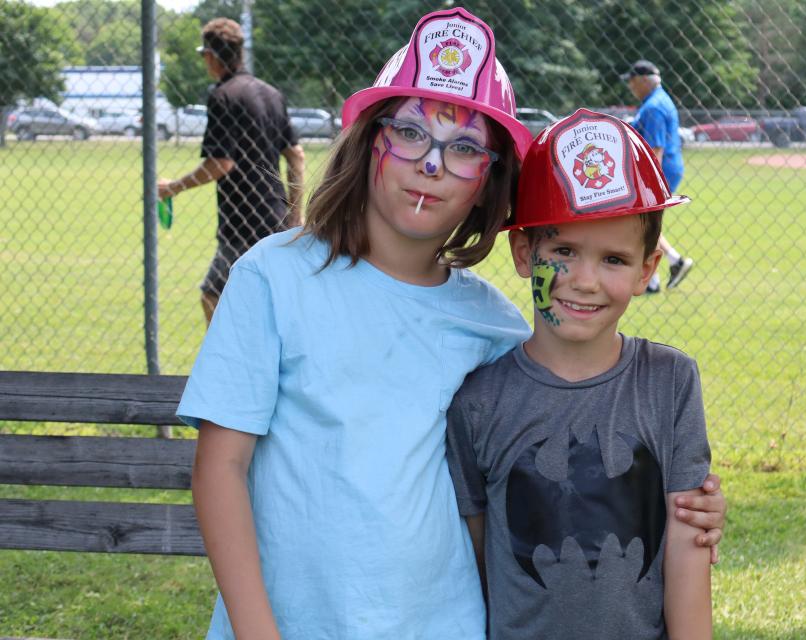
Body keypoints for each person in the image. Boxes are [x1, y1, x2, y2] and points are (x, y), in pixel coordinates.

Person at [178, 9, 725, 639]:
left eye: (465, 147)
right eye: (410, 133)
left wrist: (687, 505)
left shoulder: (491, 324)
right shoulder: (272, 278)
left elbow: (560, 448)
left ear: (491, 179)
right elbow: (220, 469)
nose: (432, 164)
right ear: (369, 139)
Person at [446, 109, 712, 639]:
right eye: (563, 251)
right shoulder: (478, 400)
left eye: (614, 259)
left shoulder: (670, 382)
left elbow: (689, 548)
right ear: (524, 252)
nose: (585, 281)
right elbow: (475, 562)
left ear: (646, 270)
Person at [158, 18, 305, 324]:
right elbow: (296, 156)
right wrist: (295, 212)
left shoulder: (223, 95)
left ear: (211, 56)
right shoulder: (270, 94)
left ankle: (227, 367)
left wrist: (174, 187)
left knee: (212, 295)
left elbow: (220, 164)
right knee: (268, 303)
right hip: (276, 218)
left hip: (242, 221)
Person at [622, 59, 694, 293]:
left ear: (644, 80)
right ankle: (656, 277)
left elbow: (655, 149)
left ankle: (673, 263)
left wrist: (651, 182)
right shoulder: (655, 101)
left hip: (661, 170)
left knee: (642, 223)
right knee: (643, 223)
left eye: (633, 82)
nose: (631, 86)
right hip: (669, 167)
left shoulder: (653, 107)